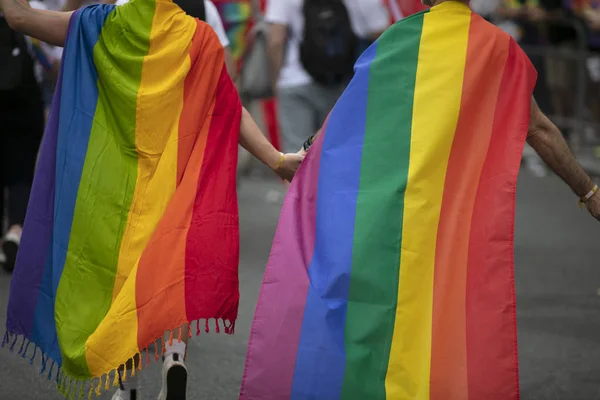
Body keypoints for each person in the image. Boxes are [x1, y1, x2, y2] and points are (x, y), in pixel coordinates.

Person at [239, 0, 600, 398]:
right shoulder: (498, 49)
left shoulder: (400, 40)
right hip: (455, 225)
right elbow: (541, 130)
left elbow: (349, 119)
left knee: (379, 323)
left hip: (390, 216)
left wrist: (301, 159)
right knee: (441, 329)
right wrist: (589, 191)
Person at [0, 1, 303, 400]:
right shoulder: (201, 35)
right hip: (176, 172)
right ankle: (175, 355)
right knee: (170, 272)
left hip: (114, 181)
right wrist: (277, 160)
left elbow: (20, 18)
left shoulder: (102, 24)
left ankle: (126, 387)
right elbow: (228, 105)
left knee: (124, 278)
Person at [266, 0, 388, 155]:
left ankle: (297, 180)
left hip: (294, 81)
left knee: (295, 155)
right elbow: (379, 31)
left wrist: (275, 80)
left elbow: (276, 40)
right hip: (341, 82)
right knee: (337, 152)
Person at [0, 1, 61, 272]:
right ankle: (15, 230)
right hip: (23, 100)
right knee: (22, 172)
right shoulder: (31, 9)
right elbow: (52, 55)